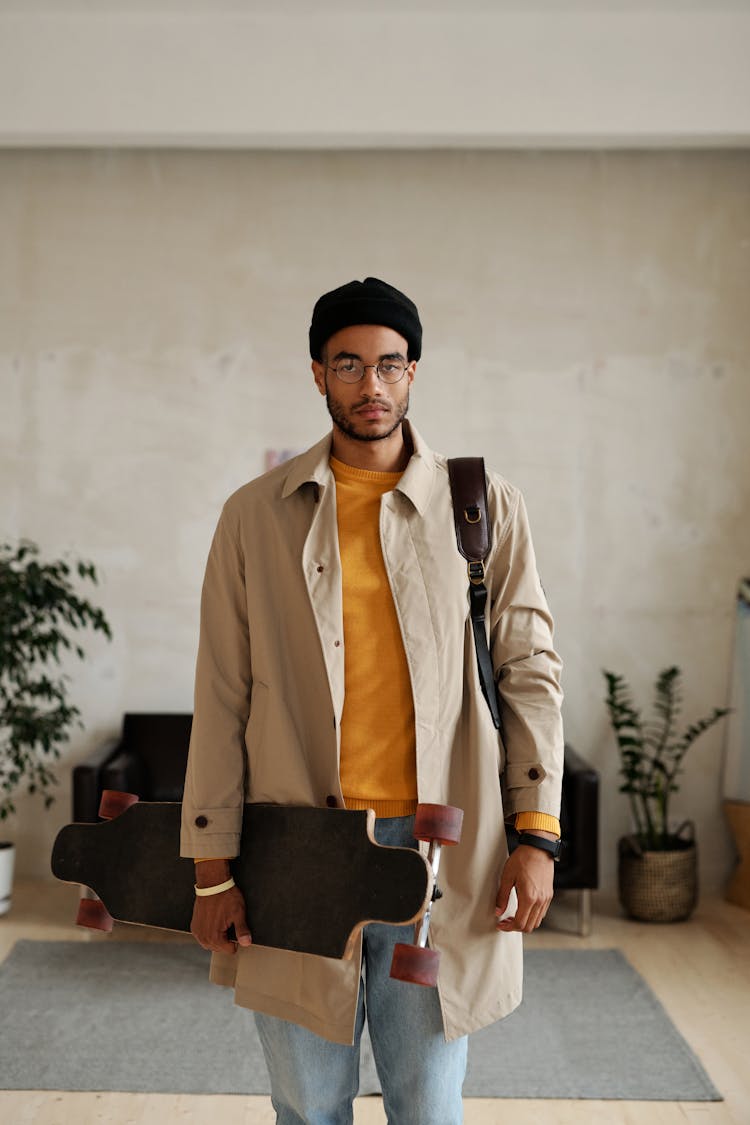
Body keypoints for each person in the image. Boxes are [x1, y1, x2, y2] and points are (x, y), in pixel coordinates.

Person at [180, 277, 564, 1124]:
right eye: (349, 365)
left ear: (414, 371)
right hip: (298, 852)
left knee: (427, 1105)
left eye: (390, 364)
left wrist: (536, 833)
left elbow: (531, 670)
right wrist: (212, 868)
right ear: (317, 373)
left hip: (438, 855)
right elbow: (221, 692)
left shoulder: (483, 507)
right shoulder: (253, 518)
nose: (372, 385)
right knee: (307, 1105)